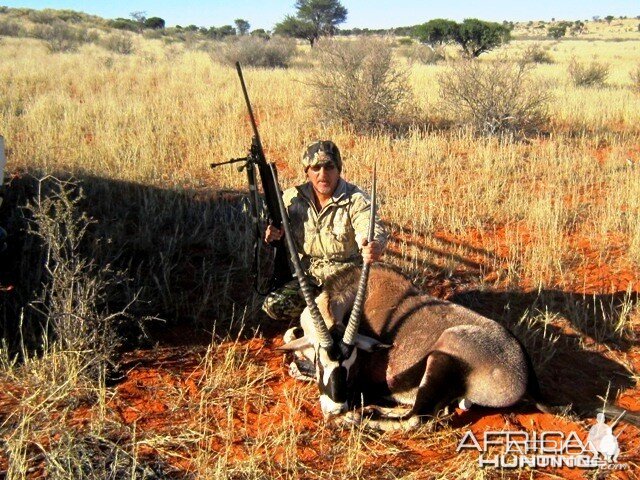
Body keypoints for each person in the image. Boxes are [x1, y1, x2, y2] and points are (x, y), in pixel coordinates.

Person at [262, 140, 388, 323]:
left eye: (329, 167)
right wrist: (271, 234)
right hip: (310, 280)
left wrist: (373, 244)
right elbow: (272, 230)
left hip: (346, 281)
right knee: (274, 306)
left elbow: (370, 227)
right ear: (307, 172)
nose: (323, 175)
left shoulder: (356, 199)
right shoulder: (291, 197)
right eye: (316, 168)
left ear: (338, 169)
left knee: (354, 319)